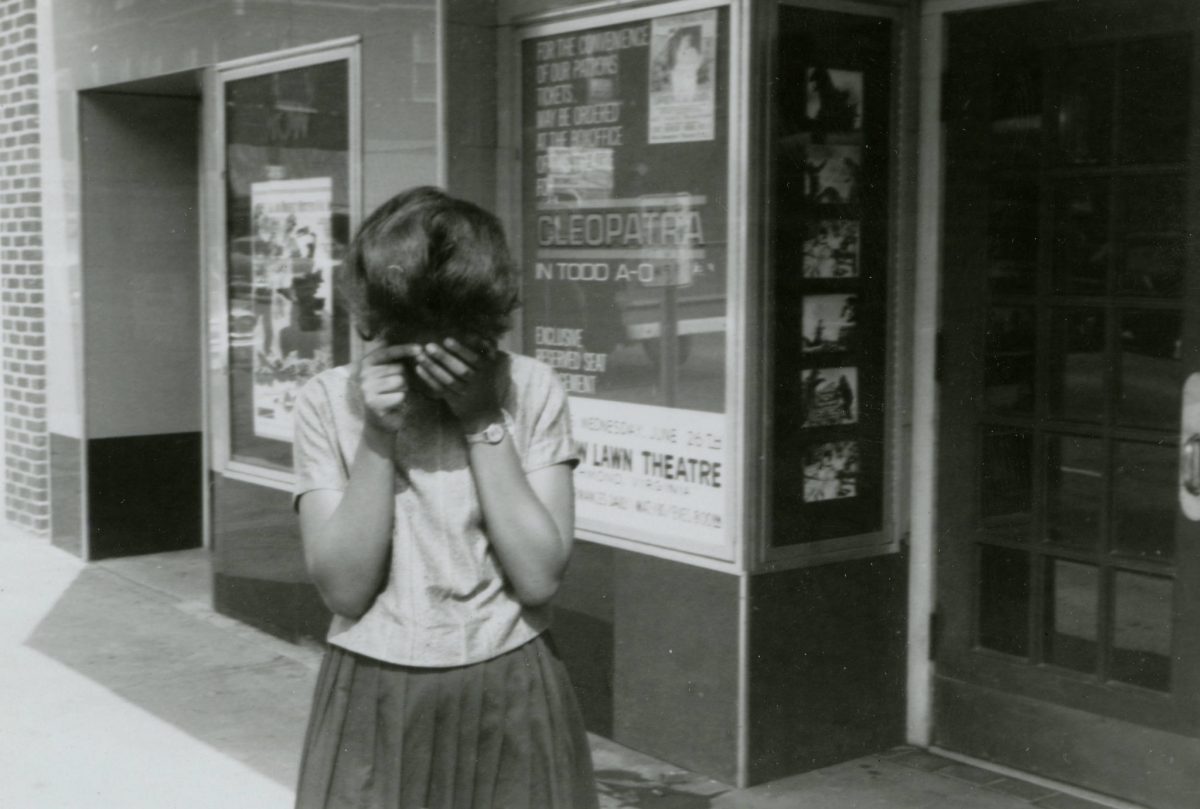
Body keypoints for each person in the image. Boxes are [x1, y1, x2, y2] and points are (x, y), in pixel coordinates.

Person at [291, 186, 598, 809]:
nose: (432, 355)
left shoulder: (530, 387)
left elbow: (540, 577)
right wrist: (378, 435)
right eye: (408, 333)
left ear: (484, 318)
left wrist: (484, 419)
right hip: (374, 686)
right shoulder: (327, 401)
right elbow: (344, 590)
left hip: (511, 677)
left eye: (456, 335)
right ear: (378, 318)